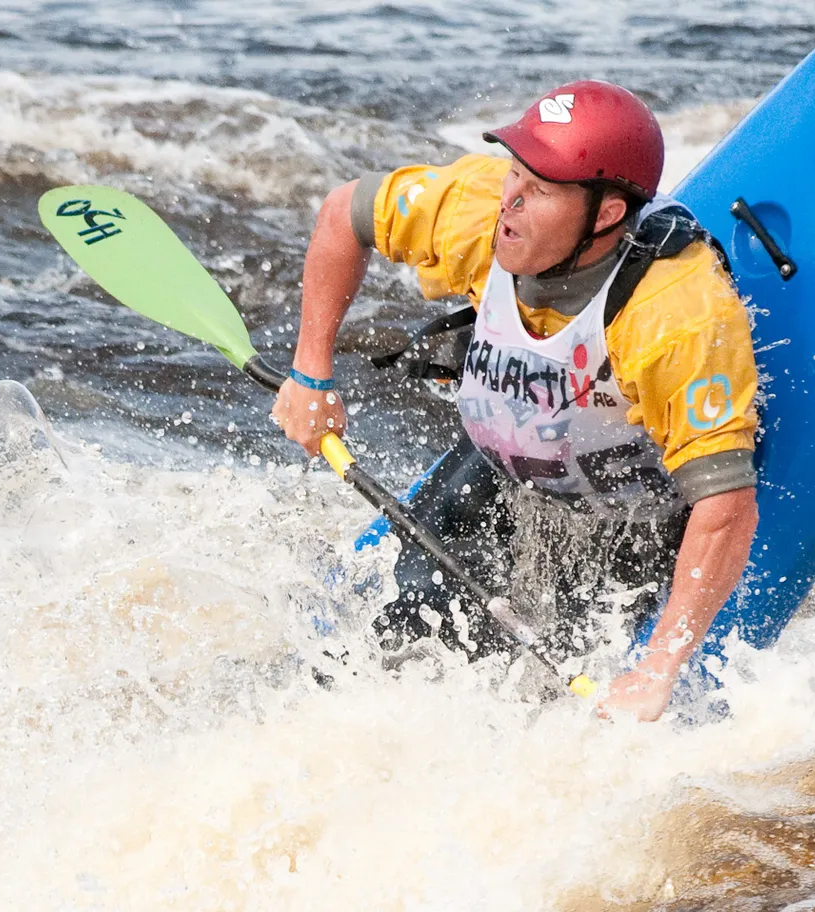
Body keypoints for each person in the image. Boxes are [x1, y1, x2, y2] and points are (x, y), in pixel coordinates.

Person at [271, 81, 759, 722]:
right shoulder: (478, 207)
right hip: (502, 476)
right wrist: (311, 375)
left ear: (607, 214)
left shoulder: (680, 314)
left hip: (636, 519)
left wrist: (658, 667)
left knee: (550, 716)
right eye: (515, 172)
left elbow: (726, 503)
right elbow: (345, 213)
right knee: (370, 659)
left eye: (542, 190)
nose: (511, 202)